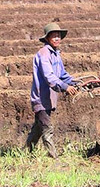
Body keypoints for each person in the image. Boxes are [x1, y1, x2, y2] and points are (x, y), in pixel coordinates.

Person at [26, 22, 78, 157]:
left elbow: (62, 75)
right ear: (47, 38)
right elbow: (49, 76)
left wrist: (76, 82)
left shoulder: (56, 54)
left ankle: (26, 151)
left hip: (49, 98)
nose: (57, 39)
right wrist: (66, 87)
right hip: (41, 97)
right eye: (53, 36)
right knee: (47, 128)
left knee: (38, 128)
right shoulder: (44, 54)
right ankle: (52, 156)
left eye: (58, 36)